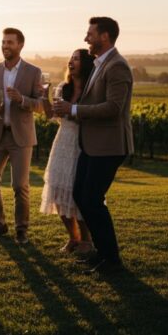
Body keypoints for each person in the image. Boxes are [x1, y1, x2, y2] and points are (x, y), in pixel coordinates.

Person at [53, 16, 133, 275]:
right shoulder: (101, 64)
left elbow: (113, 108)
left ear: (105, 37)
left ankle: (111, 259)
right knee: (81, 195)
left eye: (90, 34)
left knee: (92, 199)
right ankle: (102, 253)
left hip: (109, 145)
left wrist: (73, 109)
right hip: (92, 144)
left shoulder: (117, 66)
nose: (86, 38)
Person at [0, 28, 44, 245]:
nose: (5, 46)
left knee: (19, 186)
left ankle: (21, 230)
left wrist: (22, 99)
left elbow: (42, 105)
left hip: (21, 137)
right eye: (3, 42)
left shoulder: (33, 72)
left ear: (20, 45)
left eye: (10, 42)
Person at [40, 49, 95, 254]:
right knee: (57, 190)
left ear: (86, 64)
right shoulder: (63, 88)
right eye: (71, 58)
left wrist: (70, 109)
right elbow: (50, 115)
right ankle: (73, 237)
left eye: (77, 58)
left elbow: (90, 117)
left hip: (82, 144)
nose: (71, 61)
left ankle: (87, 241)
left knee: (78, 193)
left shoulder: (92, 90)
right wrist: (43, 96)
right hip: (62, 142)